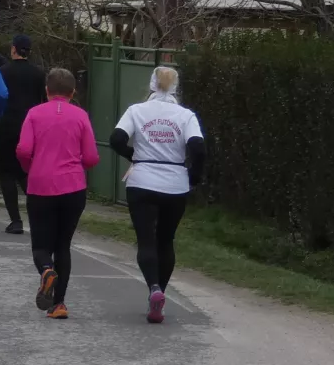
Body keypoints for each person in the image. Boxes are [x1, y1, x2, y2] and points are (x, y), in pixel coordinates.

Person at [111, 65, 206, 324]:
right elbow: (198, 147)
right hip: (175, 183)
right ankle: (160, 296)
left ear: (152, 85)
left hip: (142, 181)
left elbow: (116, 139)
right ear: (176, 87)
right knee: (166, 240)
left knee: (146, 240)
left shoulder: (136, 111)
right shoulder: (185, 115)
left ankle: (153, 287)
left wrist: (135, 156)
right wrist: (193, 176)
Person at [16, 67, 100, 320]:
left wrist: (31, 168)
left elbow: (23, 149)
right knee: (63, 245)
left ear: (47, 90)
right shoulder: (81, 116)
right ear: (73, 92)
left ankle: (45, 270)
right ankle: (59, 304)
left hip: (41, 185)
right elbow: (92, 157)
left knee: (41, 245)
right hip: (73, 187)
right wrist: (75, 168)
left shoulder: (34, 113)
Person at [0, 34, 46, 235]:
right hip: (31, 127)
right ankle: (38, 217)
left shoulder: (2, 72)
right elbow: (43, 100)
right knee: (27, 173)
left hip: (7, 125)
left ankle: (15, 220)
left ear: (13, 49)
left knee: (6, 173)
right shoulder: (39, 74)